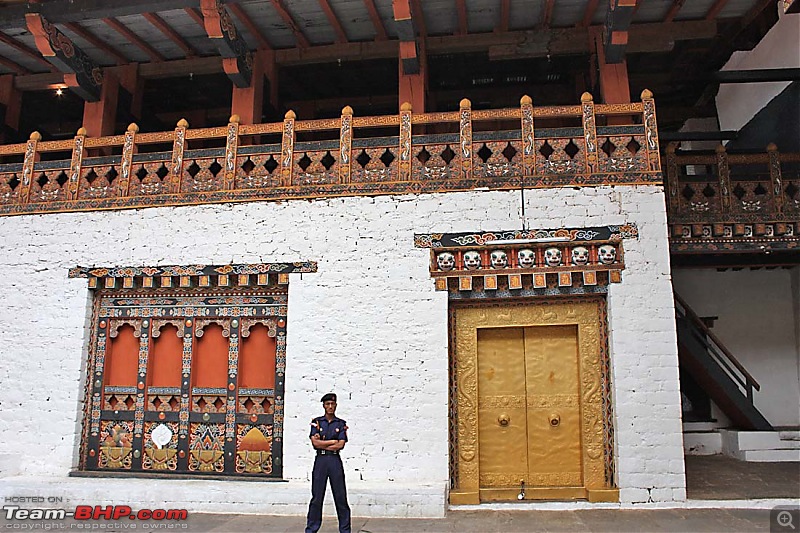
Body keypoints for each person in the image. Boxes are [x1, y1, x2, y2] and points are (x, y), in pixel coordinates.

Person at [305, 393, 351, 533]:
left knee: (340, 496)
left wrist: (323, 443)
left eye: (332, 404)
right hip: (321, 460)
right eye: (327, 404)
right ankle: (311, 529)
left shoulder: (340, 423)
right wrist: (332, 441)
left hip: (334, 460)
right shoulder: (317, 422)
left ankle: (345, 530)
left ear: (335, 405)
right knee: (317, 497)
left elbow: (341, 445)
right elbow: (315, 443)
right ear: (324, 406)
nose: (330, 407)